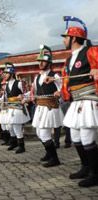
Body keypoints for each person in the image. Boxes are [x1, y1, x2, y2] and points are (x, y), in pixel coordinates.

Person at [60, 16, 98, 187]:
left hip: (89, 99)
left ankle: (96, 174)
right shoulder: (69, 60)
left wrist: (96, 70)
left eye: (65, 37)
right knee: (75, 135)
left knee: (86, 135)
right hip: (76, 100)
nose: (63, 41)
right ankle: (86, 166)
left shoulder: (90, 51)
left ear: (73, 38)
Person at [31, 45, 63, 167]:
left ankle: (55, 159)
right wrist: (26, 96)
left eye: (43, 61)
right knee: (39, 133)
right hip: (40, 108)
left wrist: (59, 92)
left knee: (44, 133)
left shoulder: (55, 76)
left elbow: (64, 89)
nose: (40, 63)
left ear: (49, 62)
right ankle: (49, 154)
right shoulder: (36, 77)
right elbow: (34, 91)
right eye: (39, 61)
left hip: (50, 107)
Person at [0, 63, 30, 153]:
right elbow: (5, 96)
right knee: (10, 126)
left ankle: (21, 146)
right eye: (4, 73)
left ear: (11, 74)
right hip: (10, 107)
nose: (4, 75)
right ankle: (14, 142)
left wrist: (23, 96)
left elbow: (28, 93)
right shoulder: (7, 85)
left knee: (16, 126)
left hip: (18, 107)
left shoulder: (19, 83)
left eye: (6, 73)